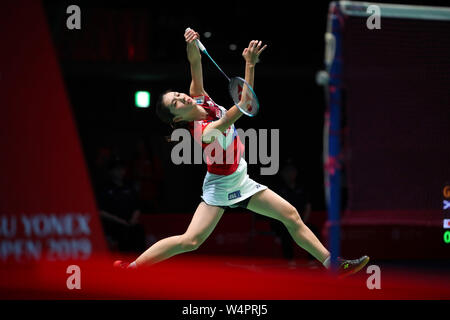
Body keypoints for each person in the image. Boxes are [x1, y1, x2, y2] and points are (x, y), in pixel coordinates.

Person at [114, 28, 369, 277]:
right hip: (222, 185)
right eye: (176, 103)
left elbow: (194, 60)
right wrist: (250, 64)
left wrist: (190, 40)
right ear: (177, 117)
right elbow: (245, 105)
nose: (183, 98)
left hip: (240, 177)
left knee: (291, 215)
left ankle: (333, 264)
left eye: (179, 94)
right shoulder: (204, 131)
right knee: (190, 241)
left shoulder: (198, 96)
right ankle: (132, 269)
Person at [99, 157, 146, 253]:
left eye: (122, 169)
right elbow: (100, 211)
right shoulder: (105, 188)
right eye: (117, 169)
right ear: (110, 171)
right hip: (114, 226)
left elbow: (137, 206)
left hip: (131, 224)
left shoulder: (129, 186)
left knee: (139, 230)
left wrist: (133, 219)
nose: (120, 171)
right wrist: (119, 221)